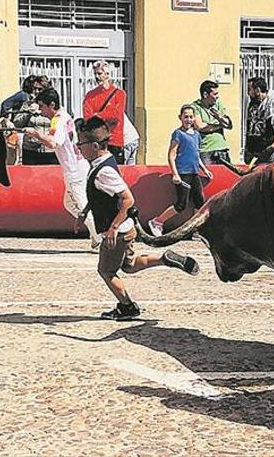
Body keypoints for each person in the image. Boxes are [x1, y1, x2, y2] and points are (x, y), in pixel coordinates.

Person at [75, 116, 200, 321]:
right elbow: (102, 195)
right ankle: (164, 258)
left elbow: (128, 199)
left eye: (81, 144)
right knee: (130, 265)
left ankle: (127, 307)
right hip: (126, 228)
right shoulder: (102, 162)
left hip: (117, 232)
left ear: (95, 146)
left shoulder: (103, 171)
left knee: (106, 271)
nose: (78, 148)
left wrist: (113, 228)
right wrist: (85, 212)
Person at [25, 88, 100, 249]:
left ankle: (99, 237)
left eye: (42, 106)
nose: (41, 111)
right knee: (69, 203)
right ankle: (95, 233)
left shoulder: (57, 120)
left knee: (82, 206)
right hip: (78, 167)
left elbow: (53, 143)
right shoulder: (65, 115)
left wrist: (36, 134)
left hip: (74, 171)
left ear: (52, 105)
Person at [148, 104, 214, 237]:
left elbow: (196, 154)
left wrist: (204, 169)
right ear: (180, 118)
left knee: (200, 202)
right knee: (181, 205)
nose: (188, 120)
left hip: (194, 172)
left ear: (194, 118)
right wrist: (175, 174)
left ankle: (195, 229)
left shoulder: (196, 134)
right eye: (186, 117)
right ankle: (157, 221)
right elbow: (171, 155)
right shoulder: (178, 134)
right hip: (183, 173)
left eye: (191, 117)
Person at [83, 61, 126, 163]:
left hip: (114, 140)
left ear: (107, 74)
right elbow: (87, 118)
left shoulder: (119, 94)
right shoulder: (90, 95)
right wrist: (106, 115)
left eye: (99, 73)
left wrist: (97, 115)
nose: (97, 77)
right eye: (95, 74)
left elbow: (116, 116)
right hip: (97, 140)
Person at [244, 77, 274, 164]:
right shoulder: (252, 103)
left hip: (269, 151)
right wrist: (247, 148)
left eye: (249, 89)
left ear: (257, 90)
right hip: (253, 150)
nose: (248, 93)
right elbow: (250, 126)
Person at [190, 80, 233, 166]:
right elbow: (200, 126)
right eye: (215, 94)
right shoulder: (195, 107)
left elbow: (229, 125)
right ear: (205, 94)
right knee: (208, 173)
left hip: (222, 148)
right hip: (206, 151)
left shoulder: (218, 104)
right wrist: (220, 125)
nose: (217, 97)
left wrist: (219, 117)